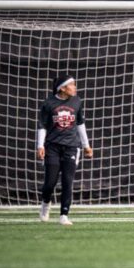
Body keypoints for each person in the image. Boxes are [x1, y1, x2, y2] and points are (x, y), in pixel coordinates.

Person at [36, 74, 93, 226]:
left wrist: (86, 145)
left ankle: (64, 215)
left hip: (71, 147)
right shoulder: (49, 103)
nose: (75, 87)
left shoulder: (77, 101)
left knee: (68, 182)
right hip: (52, 147)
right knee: (50, 183)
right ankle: (45, 204)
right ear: (62, 88)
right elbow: (42, 125)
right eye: (72, 85)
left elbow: (80, 124)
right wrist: (40, 145)